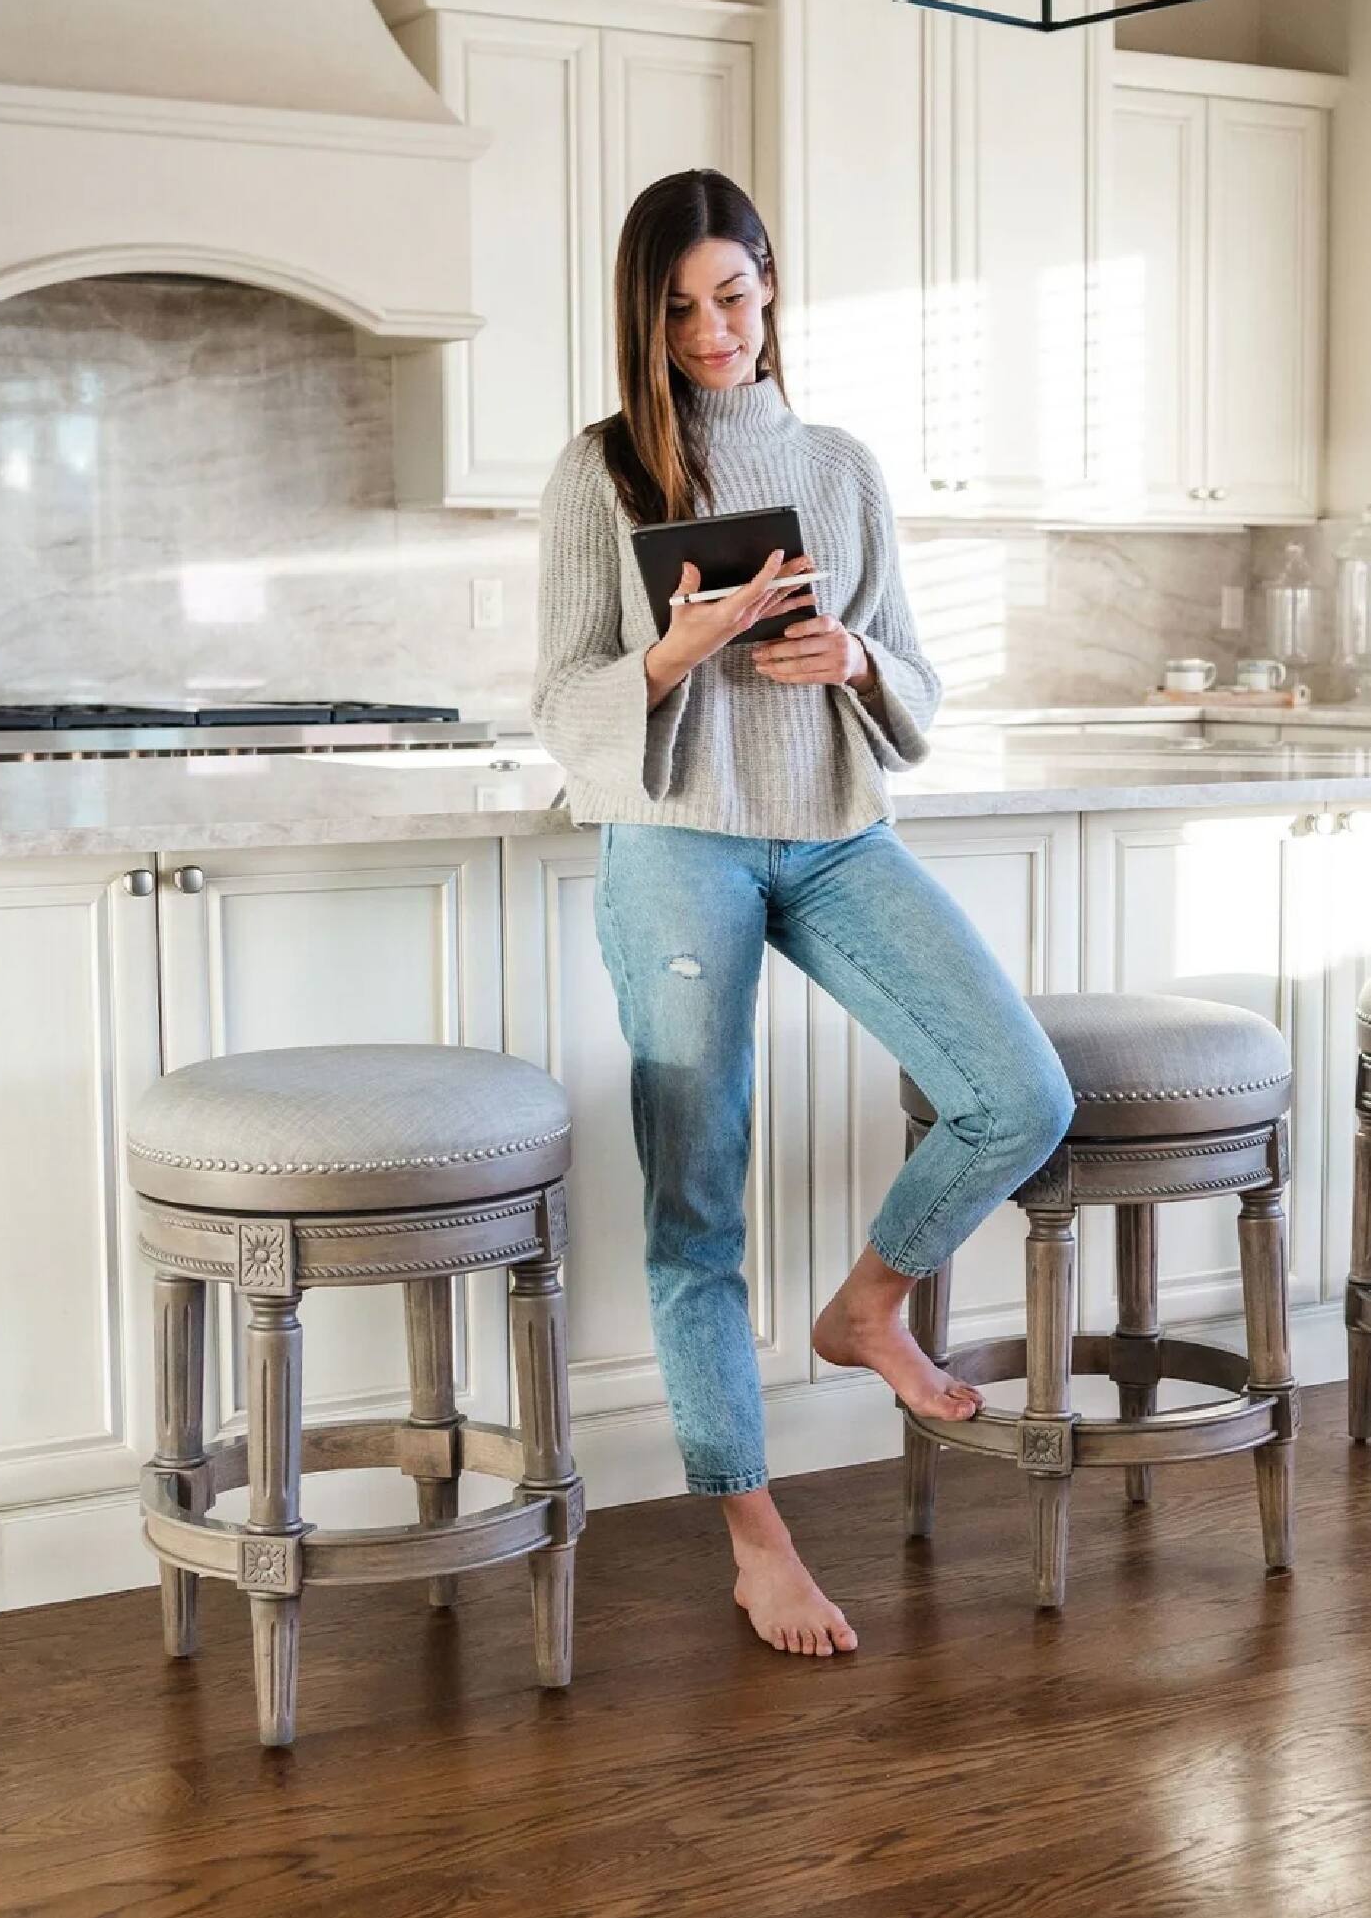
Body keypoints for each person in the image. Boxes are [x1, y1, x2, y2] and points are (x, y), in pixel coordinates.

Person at [530, 167, 1075, 1659]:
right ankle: (753, 1532)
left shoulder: (838, 462)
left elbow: (913, 676)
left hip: (834, 836)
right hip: (674, 839)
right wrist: (671, 651)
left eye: (735, 294)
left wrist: (850, 659)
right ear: (641, 318)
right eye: (680, 307)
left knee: (1016, 1092)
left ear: (772, 287)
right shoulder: (600, 473)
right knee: (696, 1195)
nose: (714, 330)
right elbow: (559, 698)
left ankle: (867, 1307)